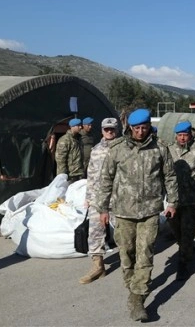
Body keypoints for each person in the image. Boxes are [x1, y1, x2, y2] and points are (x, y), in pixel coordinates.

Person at [95, 109, 178, 321]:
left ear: (149, 126)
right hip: (123, 211)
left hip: (150, 211)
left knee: (146, 252)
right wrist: (102, 209)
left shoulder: (159, 148)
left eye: (144, 127)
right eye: (137, 128)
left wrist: (173, 202)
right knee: (127, 253)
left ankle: (137, 299)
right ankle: (133, 285)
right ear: (130, 128)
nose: (141, 132)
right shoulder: (118, 149)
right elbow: (105, 180)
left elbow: (169, 176)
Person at [79, 117, 120, 285]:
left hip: (119, 197)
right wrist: (88, 197)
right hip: (98, 198)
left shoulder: (125, 148)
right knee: (95, 232)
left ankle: (128, 263)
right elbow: (91, 175)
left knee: (123, 231)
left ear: (117, 130)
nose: (109, 132)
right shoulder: (96, 150)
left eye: (112, 129)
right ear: (102, 130)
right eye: (106, 129)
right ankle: (98, 266)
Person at [168, 121, 195, 280]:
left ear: (190, 135)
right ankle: (187, 248)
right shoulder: (169, 150)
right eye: (180, 135)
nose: (182, 138)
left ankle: (183, 263)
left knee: (187, 232)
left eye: (185, 135)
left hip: (192, 199)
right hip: (174, 198)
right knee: (175, 228)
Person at [56, 118, 85, 184]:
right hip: (70, 175)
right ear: (72, 127)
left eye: (80, 125)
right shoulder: (65, 140)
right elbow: (60, 160)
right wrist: (62, 176)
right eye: (78, 125)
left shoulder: (79, 139)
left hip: (79, 173)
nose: (80, 127)